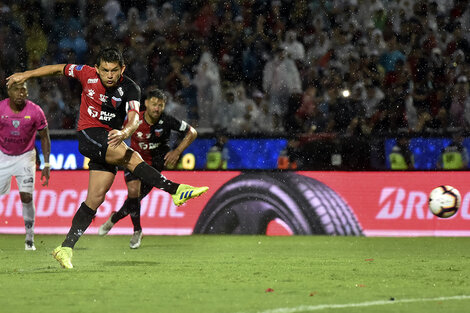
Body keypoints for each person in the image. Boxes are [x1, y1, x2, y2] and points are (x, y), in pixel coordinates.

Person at [6, 47, 208, 269]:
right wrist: (26, 75)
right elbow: (57, 69)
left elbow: (133, 118)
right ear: (97, 69)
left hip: (110, 139)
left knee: (95, 198)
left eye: (114, 70)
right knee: (131, 157)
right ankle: (175, 190)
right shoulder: (86, 74)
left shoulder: (131, 88)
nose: (109, 75)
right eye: (105, 70)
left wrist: (125, 132)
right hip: (89, 134)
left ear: (122, 68)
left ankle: (65, 248)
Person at [98, 88, 198, 248]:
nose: (156, 108)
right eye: (153, 104)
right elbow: (119, 135)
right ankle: (137, 231)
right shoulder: (134, 120)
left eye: (160, 105)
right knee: (133, 192)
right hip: (132, 161)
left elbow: (192, 132)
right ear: (146, 104)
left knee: (134, 201)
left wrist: (177, 151)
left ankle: (114, 218)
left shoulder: (167, 121)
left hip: (154, 167)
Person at [0, 81, 51, 250]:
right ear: (9, 91)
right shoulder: (1, 109)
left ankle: (29, 238)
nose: (21, 93)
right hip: (3, 156)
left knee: (26, 197)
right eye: (17, 90)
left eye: (24, 90)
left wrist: (47, 163)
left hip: (25, 157)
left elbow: (45, 136)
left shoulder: (35, 111)